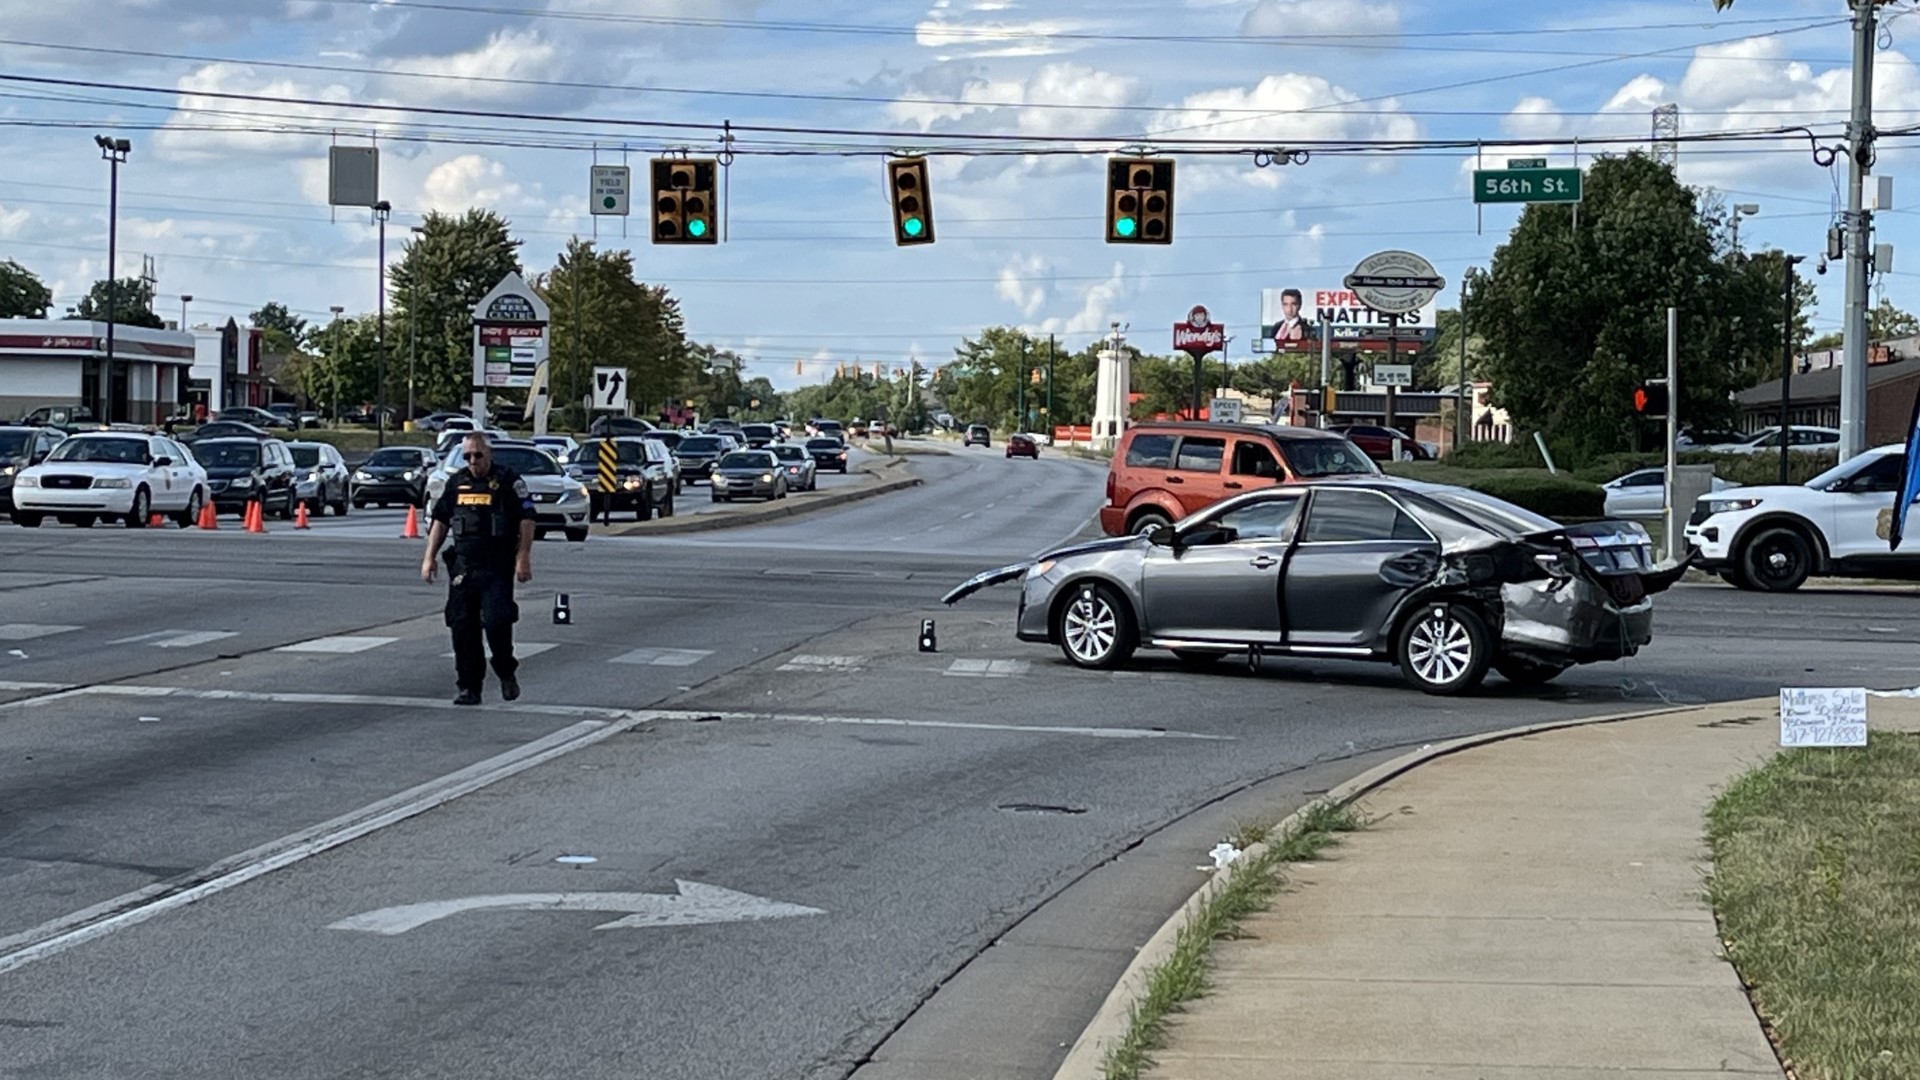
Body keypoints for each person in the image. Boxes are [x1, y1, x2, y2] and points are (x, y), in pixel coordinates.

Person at [420, 432, 535, 706]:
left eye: (478, 455)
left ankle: (506, 671)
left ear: (489, 454)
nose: (473, 460)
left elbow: (527, 518)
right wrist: (429, 557)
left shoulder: (508, 481)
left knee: (497, 622)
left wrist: (524, 557)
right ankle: (469, 687)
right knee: (462, 628)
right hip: (464, 568)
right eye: (468, 456)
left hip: (496, 566)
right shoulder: (456, 482)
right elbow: (440, 520)